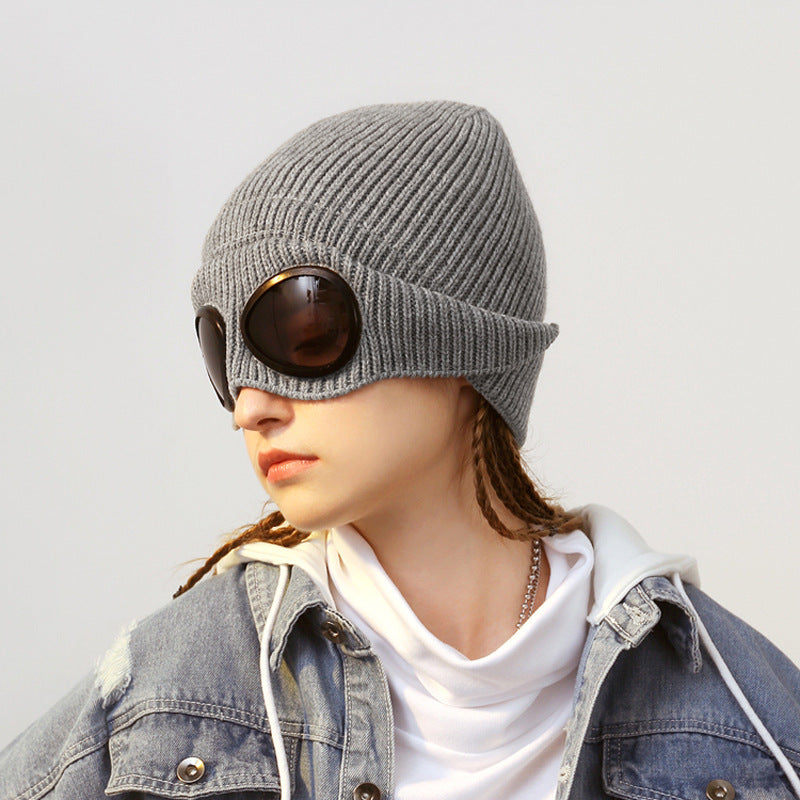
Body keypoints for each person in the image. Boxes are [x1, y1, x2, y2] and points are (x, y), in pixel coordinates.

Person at [2, 100, 800, 800]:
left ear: (459, 342)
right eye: (222, 352)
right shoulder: (169, 694)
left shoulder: (748, 715)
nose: (249, 406)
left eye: (300, 327)